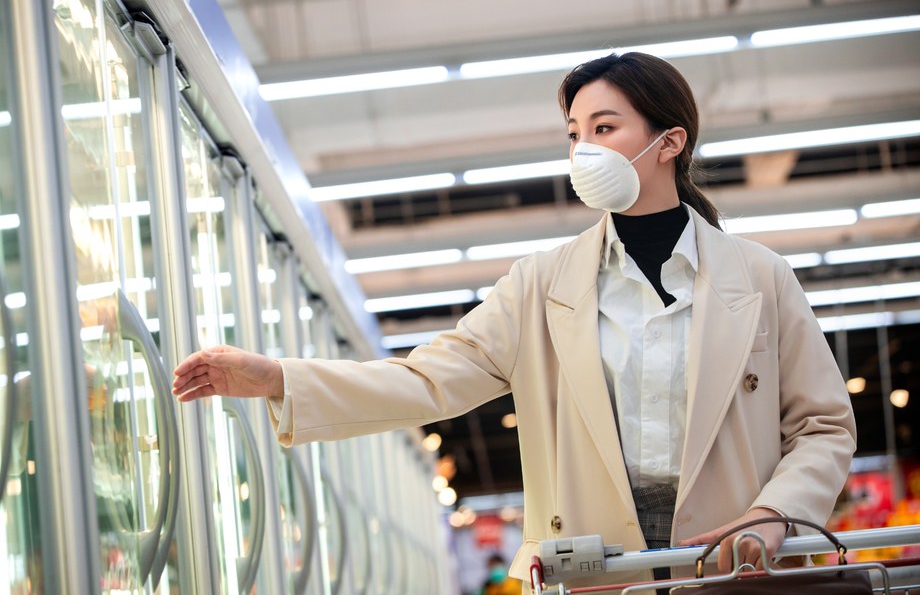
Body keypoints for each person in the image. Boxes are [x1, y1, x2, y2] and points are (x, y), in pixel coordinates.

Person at [172, 52, 857, 589]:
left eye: (604, 128)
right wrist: (279, 379)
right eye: (573, 133)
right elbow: (428, 379)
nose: (582, 149)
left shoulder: (760, 276)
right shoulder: (541, 284)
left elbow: (824, 424)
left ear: (670, 140)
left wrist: (774, 515)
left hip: (735, 557)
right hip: (596, 563)